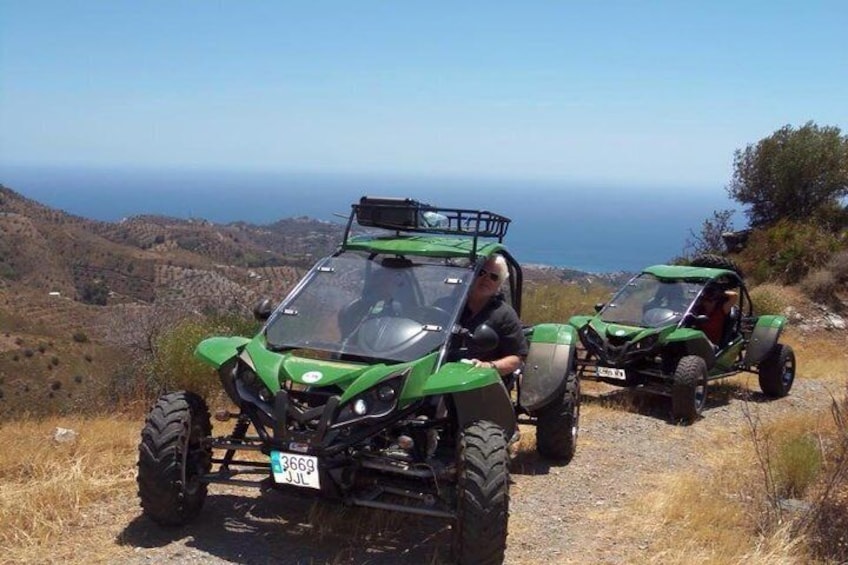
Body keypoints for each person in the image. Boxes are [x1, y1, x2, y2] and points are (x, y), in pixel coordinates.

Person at [461, 254, 528, 377]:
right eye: (481, 272)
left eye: (494, 276)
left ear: (499, 284)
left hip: (481, 383)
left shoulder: (505, 314)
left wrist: (488, 366)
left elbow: (517, 358)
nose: (486, 279)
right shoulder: (448, 305)